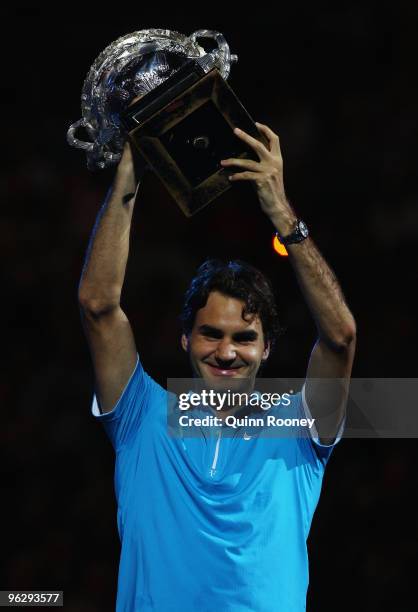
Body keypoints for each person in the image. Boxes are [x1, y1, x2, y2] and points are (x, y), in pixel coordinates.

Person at [78, 122, 356, 611]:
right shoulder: (142, 416)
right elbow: (98, 305)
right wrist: (128, 179)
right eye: (211, 334)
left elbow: (340, 337)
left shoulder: (300, 427)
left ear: (267, 348)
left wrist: (281, 213)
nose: (227, 352)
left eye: (245, 338)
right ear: (185, 337)